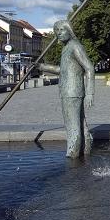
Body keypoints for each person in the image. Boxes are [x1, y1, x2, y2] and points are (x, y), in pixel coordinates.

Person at [39, 20, 94, 159]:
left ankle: (72, 157)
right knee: (81, 125)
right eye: (56, 31)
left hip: (71, 92)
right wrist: (42, 67)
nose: (58, 33)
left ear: (70, 30)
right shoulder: (67, 48)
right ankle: (85, 153)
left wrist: (90, 93)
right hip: (71, 91)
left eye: (61, 30)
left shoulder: (74, 46)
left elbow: (89, 68)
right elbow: (63, 70)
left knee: (72, 127)